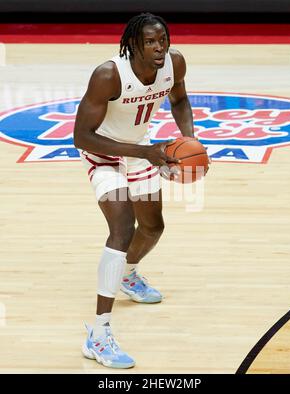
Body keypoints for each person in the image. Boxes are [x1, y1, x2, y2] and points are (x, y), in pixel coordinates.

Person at [74, 12, 202, 369]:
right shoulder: (108, 74)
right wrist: (147, 153)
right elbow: (81, 136)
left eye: (163, 40)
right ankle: (99, 335)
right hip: (103, 153)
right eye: (150, 42)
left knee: (153, 227)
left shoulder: (174, 63)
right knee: (122, 227)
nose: (159, 48)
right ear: (133, 44)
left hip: (140, 146)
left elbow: (179, 101)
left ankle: (128, 274)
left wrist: (188, 139)